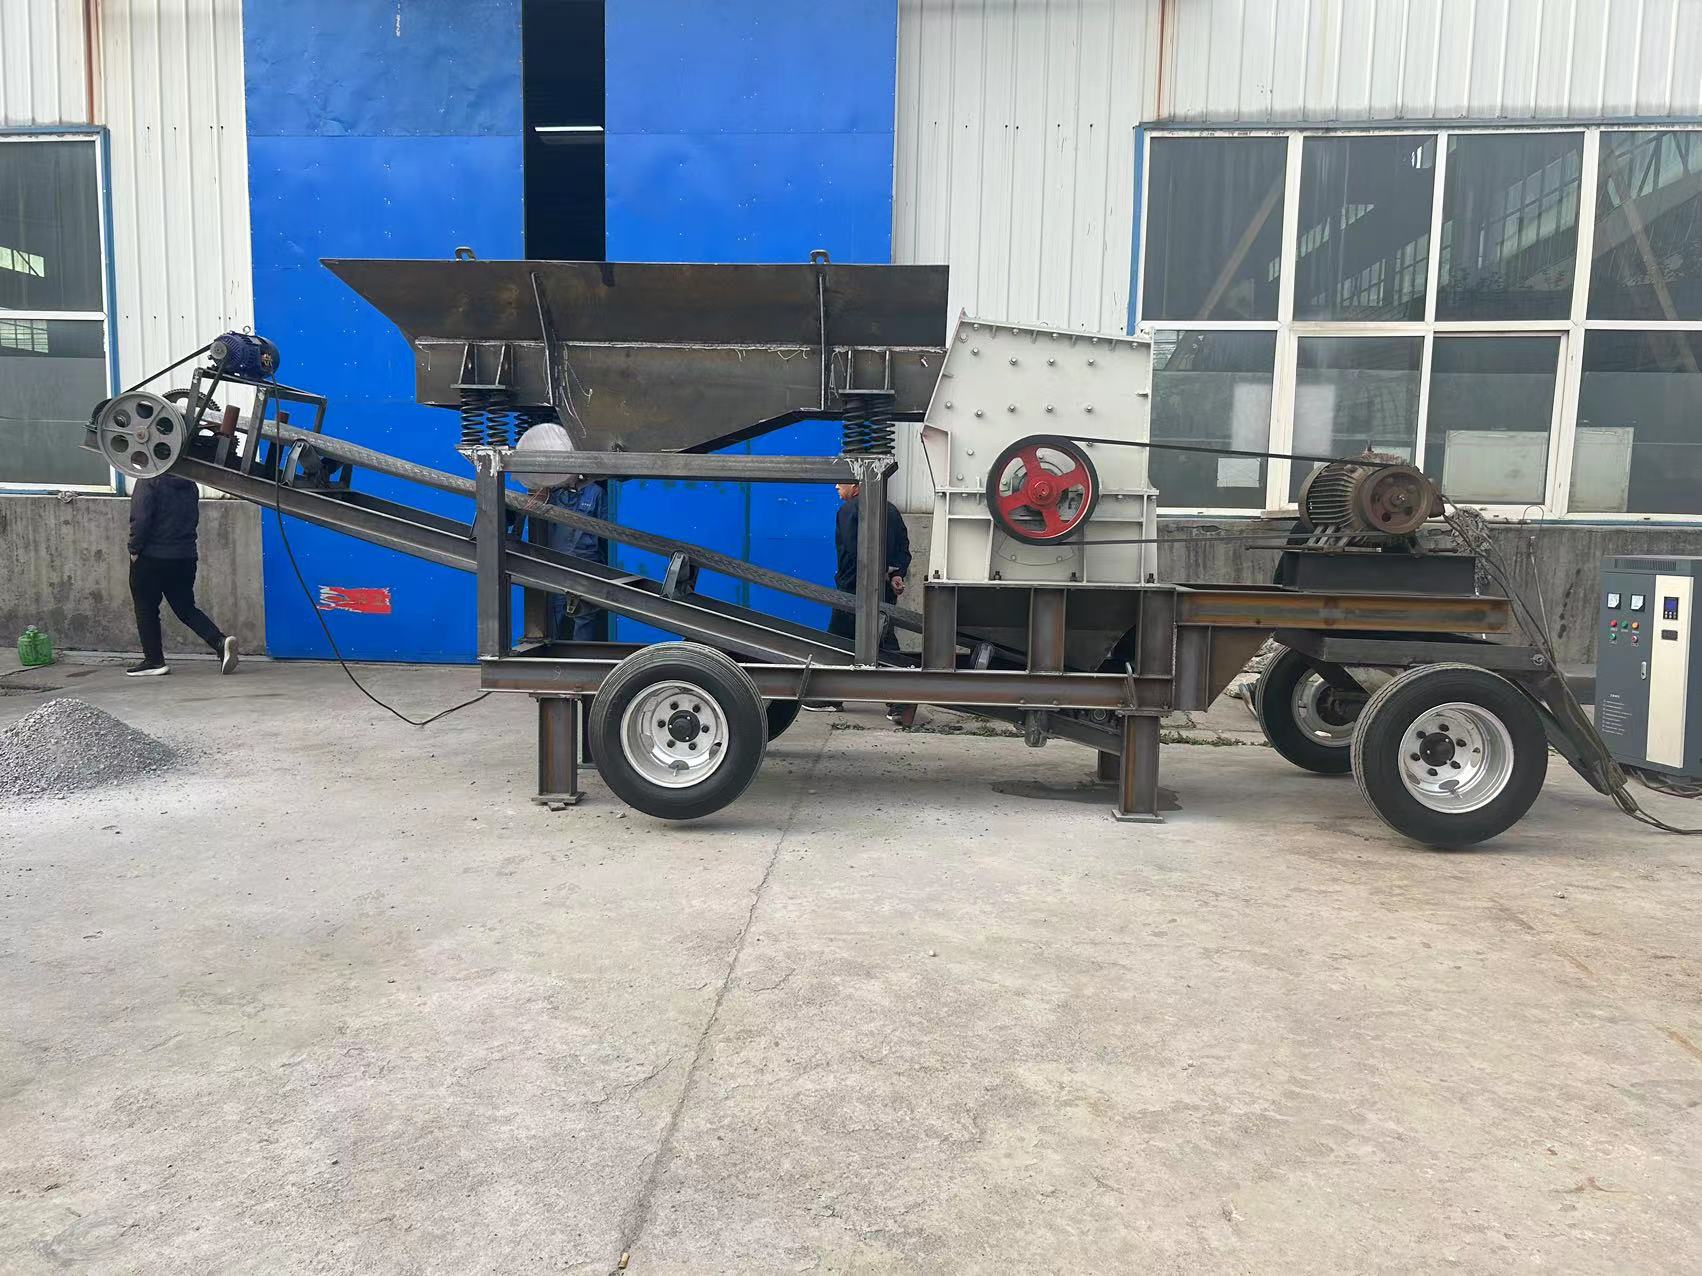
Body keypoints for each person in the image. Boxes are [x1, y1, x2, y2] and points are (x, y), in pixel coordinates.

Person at [806, 481, 912, 719]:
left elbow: (854, 549)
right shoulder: (890, 510)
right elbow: (903, 547)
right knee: (884, 640)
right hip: (882, 589)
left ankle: (830, 697)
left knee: (837, 643)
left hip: (853, 589)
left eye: (841, 482)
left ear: (856, 486)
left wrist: (869, 573)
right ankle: (902, 701)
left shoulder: (849, 510)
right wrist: (895, 573)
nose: (836, 486)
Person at [127, 472, 239, 676]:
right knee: (186, 608)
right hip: (185, 556)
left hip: (152, 556)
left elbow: (141, 518)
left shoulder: (148, 480)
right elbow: (191, 519)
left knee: (146, 608)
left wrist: (134, 549)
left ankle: (154, 661)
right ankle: (219, 642)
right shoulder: (190, 483)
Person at [538, 477, 609, 641]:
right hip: (557, 562)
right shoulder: (553, 492)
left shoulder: (596, 493)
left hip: (586, 561)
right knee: (554, 609)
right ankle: (550, 651)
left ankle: (582, 652)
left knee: (584, 612)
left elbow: (607, 532)